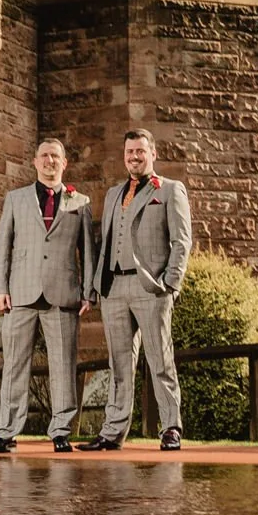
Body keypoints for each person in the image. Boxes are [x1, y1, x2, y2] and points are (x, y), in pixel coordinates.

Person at [0, 135, 96, 455]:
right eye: (44, 156)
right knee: (15, 365)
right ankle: (7, 432)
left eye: (55, 157)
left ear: (64, 163)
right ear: (35, 162)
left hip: (63, 294)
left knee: (63, 365)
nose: (49, 161)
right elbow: (2, 246)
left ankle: (60, 431)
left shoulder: (80, 202)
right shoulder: (16, 199)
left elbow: (87, 251)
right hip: (19, 294)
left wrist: (87, 292)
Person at [87, 128, 192, 452]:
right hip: (114, 287)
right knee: (119, 364)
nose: (135, 157)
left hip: (151, 287)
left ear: (152, 154)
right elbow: (105, 243)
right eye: (130, 152)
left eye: (140, 152)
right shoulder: (114, 193)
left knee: (160, 360)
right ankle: (112, 433)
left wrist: (170, 283)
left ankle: (171, 428)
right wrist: (97, 286)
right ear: (124, 156)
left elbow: (181, 242)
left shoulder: (171, 190)